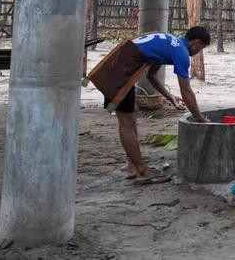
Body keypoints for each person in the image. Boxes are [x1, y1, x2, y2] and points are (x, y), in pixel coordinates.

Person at [86, 26, 211, 185]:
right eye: (201, 48)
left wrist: (170, 97)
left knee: (130, 118)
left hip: (121, 63)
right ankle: (143, 171)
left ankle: (132, 166)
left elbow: (151, 75)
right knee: (127, 122)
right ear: (197, 42)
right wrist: (199, 118)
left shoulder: (170, 43)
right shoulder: (182, 53)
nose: (198, 52)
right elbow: (186, 90)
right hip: (122, 69)